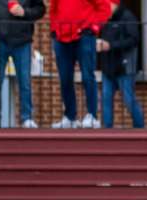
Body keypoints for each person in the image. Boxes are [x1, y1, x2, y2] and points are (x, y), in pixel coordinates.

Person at [0, 0, 45, 128]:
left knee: (24, 81)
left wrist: (24, 12)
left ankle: (27, 118)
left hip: (23, 41)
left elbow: (40, 9)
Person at [50, 0, 110, 128]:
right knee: (65, 78)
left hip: (85, 35)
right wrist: (54, 30)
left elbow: (104, 8)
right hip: (62, 37)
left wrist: (95, 27)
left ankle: (92, 115)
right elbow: (53, 10)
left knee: (88, 76)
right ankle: (70, 117)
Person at [97, 0, 144, 128]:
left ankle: (140, 128)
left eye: (107, 5)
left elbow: (134, 39)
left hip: (125, 66)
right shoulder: (105, 18)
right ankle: (107, 130)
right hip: (108, 67)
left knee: (129, 99)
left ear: (115, 4)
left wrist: (111, 45)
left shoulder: (127, 17)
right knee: (106, 100)